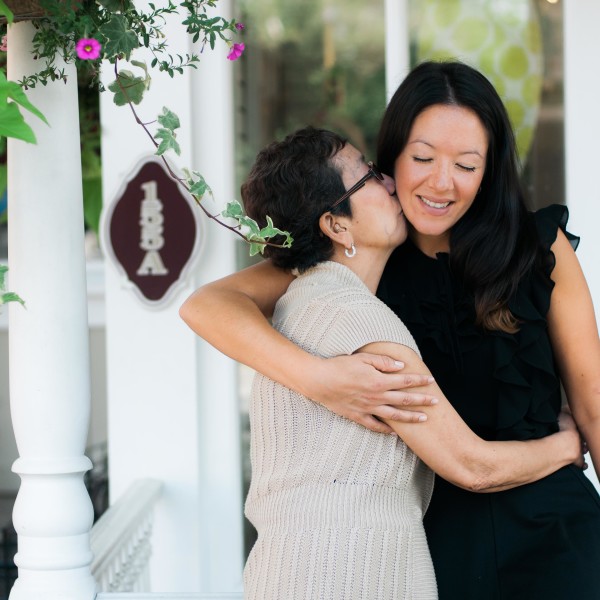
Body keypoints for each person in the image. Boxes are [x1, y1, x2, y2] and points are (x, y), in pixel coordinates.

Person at [181, 124, 585, 600]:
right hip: (351, 574)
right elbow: (471, 466)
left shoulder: (301, 303)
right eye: (369, 175)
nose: (390, 180)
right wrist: (564, 445)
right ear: (336, 225)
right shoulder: (362, 323)